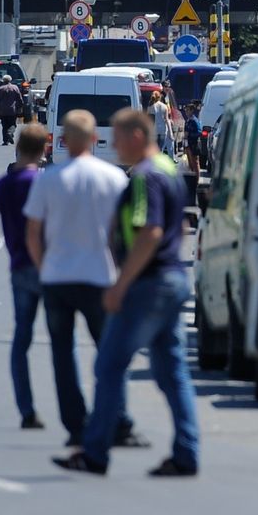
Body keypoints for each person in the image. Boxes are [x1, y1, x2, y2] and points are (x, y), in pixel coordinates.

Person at [54, 108, 199, 478]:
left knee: (109, 364)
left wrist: (121, 283)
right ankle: (187, 452)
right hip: (172, 278)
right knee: (172, 371)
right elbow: (178, 226)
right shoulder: (169, 169)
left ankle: (95, 452)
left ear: (137, 136)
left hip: (147, 284)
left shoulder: (144, 179)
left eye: (117, 138)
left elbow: (148, 231)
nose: (113, 146)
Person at [24, 110, 144, 449]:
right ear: (94, 139)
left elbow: (32, 232)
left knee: (63, 354)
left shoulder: (48, 179)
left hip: (58, 277)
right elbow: (123, 234)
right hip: (100, 276)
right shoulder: (114, 178)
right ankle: (117, 421)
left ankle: (76, 426)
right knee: (109, 353)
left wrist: (43, 266)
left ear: (62, 140)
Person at [0, 123, 49, 430]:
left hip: (19, 266)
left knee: (21, 338)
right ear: (43, 150)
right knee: (61, 339)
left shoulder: (2, 186)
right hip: (49, 267)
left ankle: (26, 409)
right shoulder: (43, 184)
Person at [0, 74, 25, 146]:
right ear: (10, 80)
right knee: (13, 124)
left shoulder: (0, 89)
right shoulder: (15, 88)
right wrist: (20, 107)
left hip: (2, 110)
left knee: (4, 125)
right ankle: (10, 133)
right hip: (12, 110)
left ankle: (5, 141)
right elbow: (19, 99)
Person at [149, 91, 172, 158]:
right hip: (163, 130)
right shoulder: (164, 107)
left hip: (154, 131)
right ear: (160, 97)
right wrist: (170, 133)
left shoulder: (150, 107)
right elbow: (167, 120)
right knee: (160, 150)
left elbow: (149, 120)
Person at [183, 104, 201, 175]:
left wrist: (189, 135)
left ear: (192, 110)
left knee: (195, 163)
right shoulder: (188, 121)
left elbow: (199, 132)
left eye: (187, 110)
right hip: (188, 144)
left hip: (193, 144)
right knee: (190, 163)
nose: (186, 112)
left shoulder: (194, 121)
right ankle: (192, 178)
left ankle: (196, 180)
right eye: (185, 110)